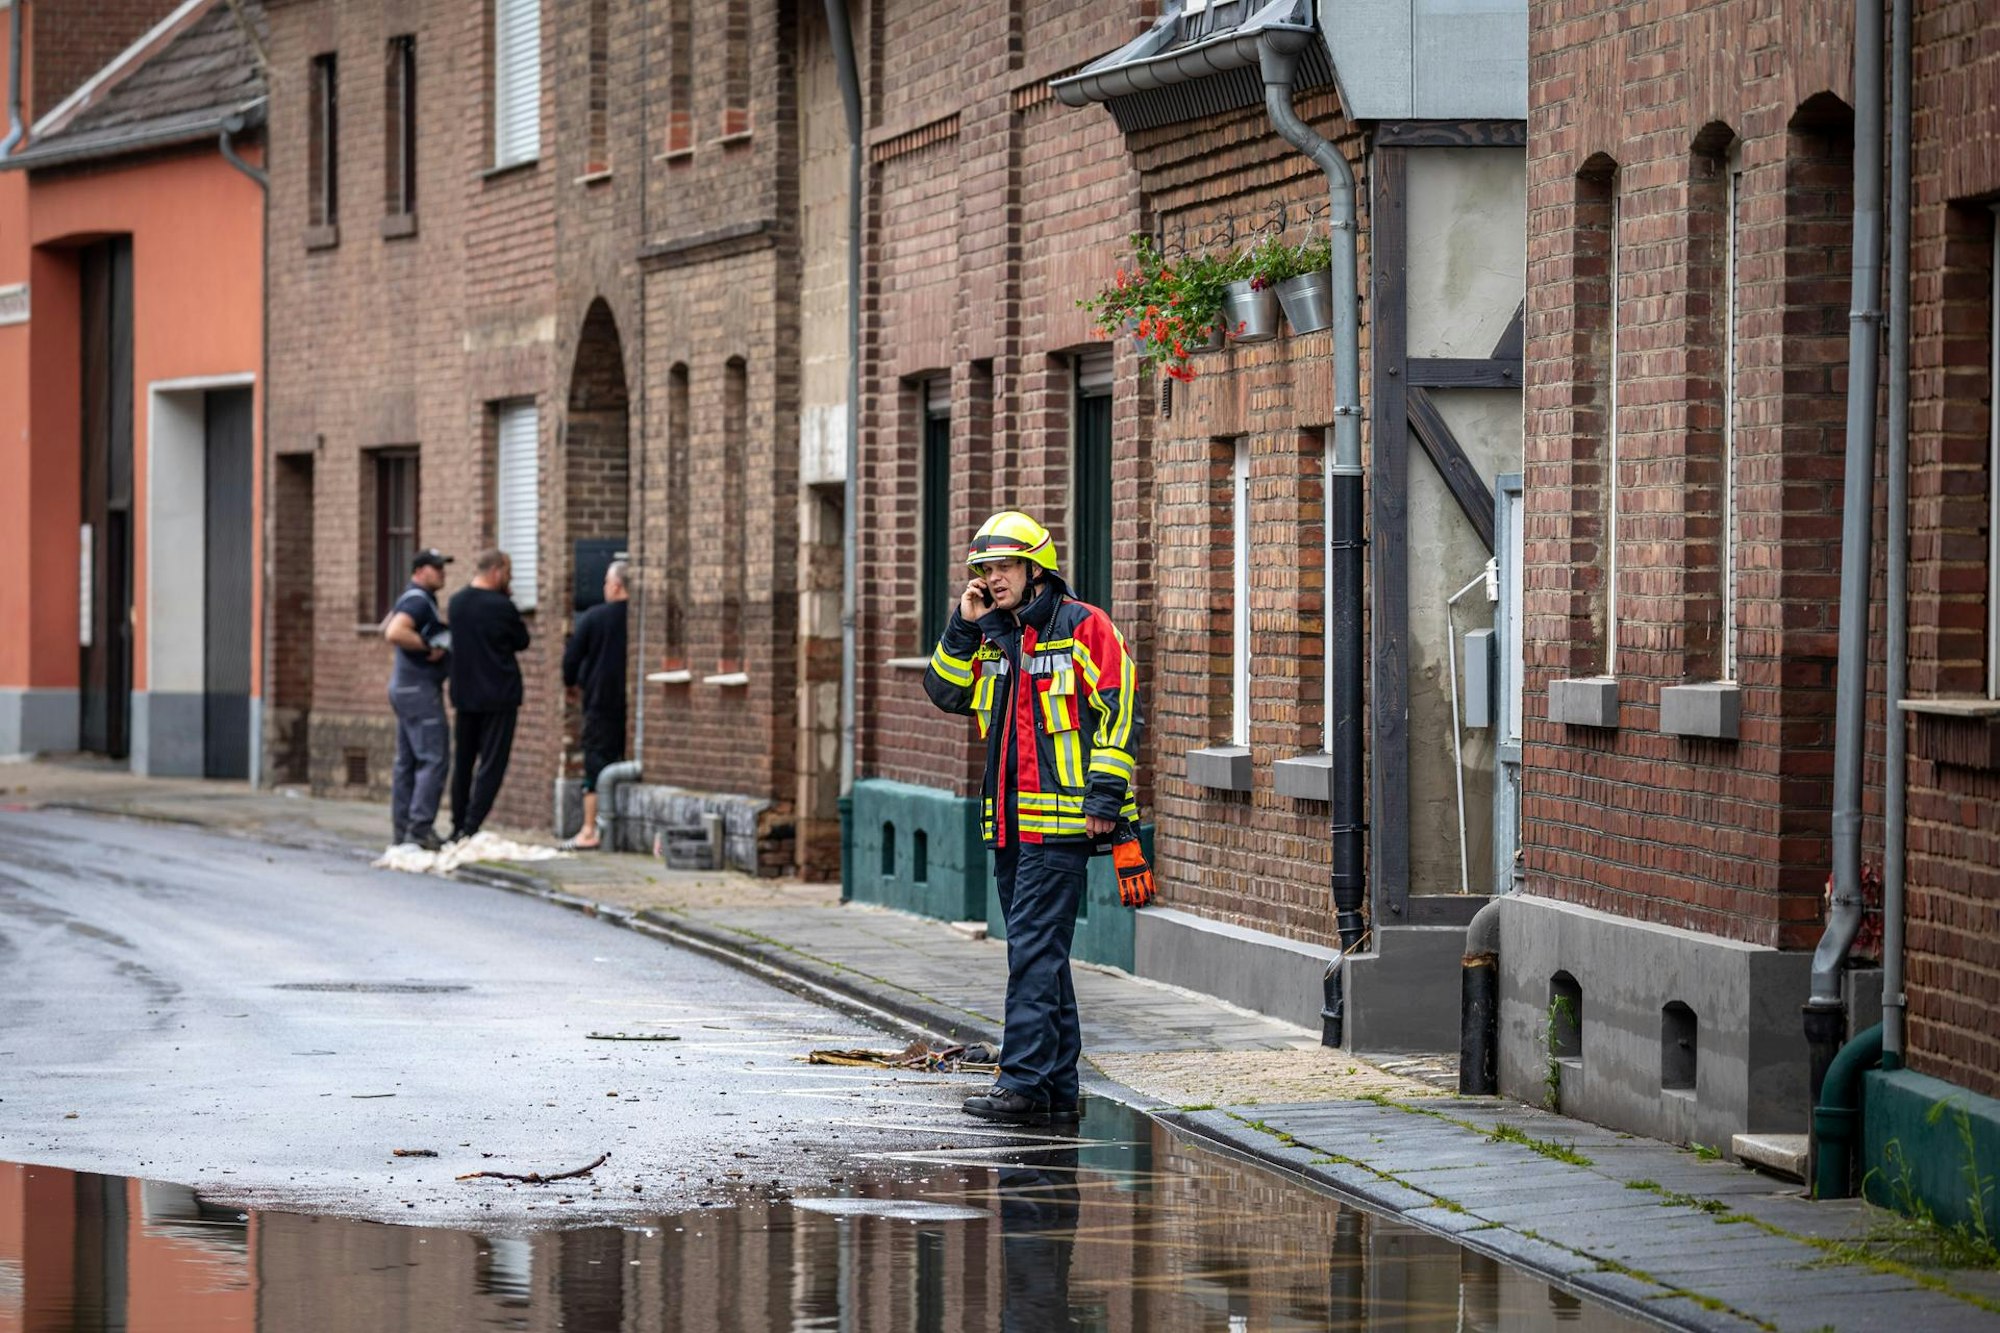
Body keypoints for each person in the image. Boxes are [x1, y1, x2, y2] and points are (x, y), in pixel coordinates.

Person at [924, 510, 1144, 1126]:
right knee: (1041, 954)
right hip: (1009, 825)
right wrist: (962, 627)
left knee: (1031, 951)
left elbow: (1120, 711)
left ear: (1035, 569)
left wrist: (1105, 803)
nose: (992, 579)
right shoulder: (993, 636)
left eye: (1002, 568)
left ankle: (1019, 1081)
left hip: (1063, 824)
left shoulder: (1084, 627)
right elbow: (944, 692)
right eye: (984, 570)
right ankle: (1054, 1083)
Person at [446, 549, 530, 842]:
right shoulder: (501, 607)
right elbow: (522, 641)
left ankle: (457, 823)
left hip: (465, 693)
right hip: (499, 694)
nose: (511, 579)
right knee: (492, 763)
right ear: (496, 571)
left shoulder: (456, 604)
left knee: (464, 761)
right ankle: (471, 827)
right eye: (508, 573)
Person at [383, 548, 454, 850]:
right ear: (420, 570)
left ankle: (403, 832)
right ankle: (420, 829)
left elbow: (386, 624)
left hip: (404, 688)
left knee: (408, 762)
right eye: (437, 568)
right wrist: (427, 646)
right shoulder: (417, 599)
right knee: (434, 758)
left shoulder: (412, 598)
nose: (442, 573)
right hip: (418, 689)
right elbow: (394, 631)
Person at [561, 559, 630, 850]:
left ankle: (590, 830)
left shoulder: (594, 617)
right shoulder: (638, 619)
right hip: (628, 701)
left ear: (615, 586)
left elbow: (571, 659)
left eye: (605, 582)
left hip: (601, 699)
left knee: (595, 760)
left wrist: (572, 684)